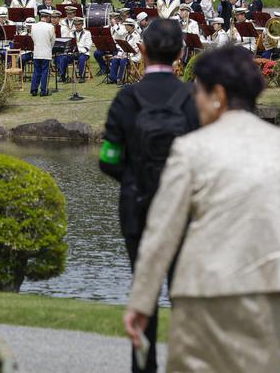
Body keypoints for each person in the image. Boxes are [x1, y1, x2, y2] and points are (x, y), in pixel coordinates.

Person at [124, 46, 280, 372]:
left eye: (197, 91)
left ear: (217, 94)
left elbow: (162, 232)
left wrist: (142, 301)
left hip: (204, 292)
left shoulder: (191, 149)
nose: (194, 100)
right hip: (271, 296)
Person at [100, 19, 200, 372]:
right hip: (184, 213)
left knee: (144, 296)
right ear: (181, 53)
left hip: (137, 208)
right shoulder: (192, 99)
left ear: (140, 50)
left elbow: (107, 158)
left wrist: (133, 179)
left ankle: (143, 367)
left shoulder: (127, 98)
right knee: (186, 298)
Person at [30, 9, 55, 96]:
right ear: (47, 17)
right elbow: (52, 41)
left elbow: (33, 39)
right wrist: (49, 48)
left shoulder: (33, 26)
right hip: (46, 53)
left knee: (36, 71)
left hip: (37, 52)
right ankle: (43, 91)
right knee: (45, 72)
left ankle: (34, 89)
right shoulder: (50, 27)